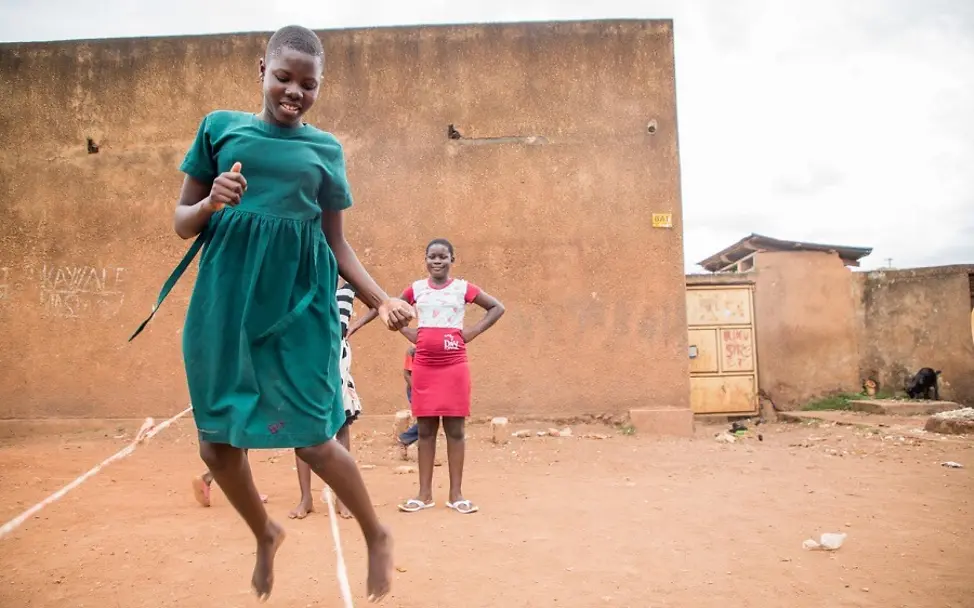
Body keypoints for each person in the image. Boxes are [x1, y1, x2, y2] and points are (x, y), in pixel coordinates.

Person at [128, 25, 413, 602]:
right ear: (262, 69)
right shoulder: (219, 129)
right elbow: (183, 221)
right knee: (215, 446)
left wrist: (379, 299)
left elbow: (337, 244)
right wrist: (210, 201)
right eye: (284, 77)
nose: (294, 92)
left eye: (308, 84)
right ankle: (265, 533)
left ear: (319, 87)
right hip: (225, 309)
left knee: (313, 438)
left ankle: (376, 533)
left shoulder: (325, 151)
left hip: (298, 309)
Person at [352, 238, 504, 515]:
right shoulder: (416, 289)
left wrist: (470, 333)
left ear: (451, 260)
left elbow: (496, 307)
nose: (437, 261)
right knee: (425, 430)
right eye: (432, 256)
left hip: (454, 365)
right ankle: (423, 494)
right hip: (424, 365)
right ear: (425, 260)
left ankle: (456, 494)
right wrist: (374, 327)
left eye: (443, 257)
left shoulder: (462, 288)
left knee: (455, 430)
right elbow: (384, 306)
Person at [289, 280, 360, 520]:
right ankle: (305, 498)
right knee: (303, 429)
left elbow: (377, 304)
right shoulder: (304, 283)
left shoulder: (349, 286)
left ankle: (343, 497)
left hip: (337, 358)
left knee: (341, 427)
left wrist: (355, 325)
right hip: (306, 356)